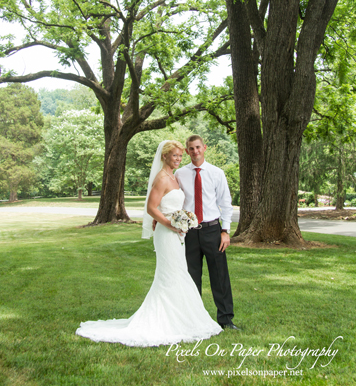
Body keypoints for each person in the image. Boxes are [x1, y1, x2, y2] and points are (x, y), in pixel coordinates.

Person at [75, 140, 222, 346]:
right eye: (175, 156)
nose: (179, 159)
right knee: (170, 275)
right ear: (164, 157)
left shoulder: (175, 176)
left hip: (177, 233)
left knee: (178, 273)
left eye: (180, 155)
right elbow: (152, 208)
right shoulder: (162, 178)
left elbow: (169, 205)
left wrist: (182, 221)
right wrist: (169, 224)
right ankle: (166, 322)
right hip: (167, 233)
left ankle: (181, 320)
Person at [175, 135, 238, 330]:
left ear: (205, 147)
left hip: (212, 230)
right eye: (191, 149)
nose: (195, 151)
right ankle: (194, 319)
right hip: (189, 233)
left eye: (198, 147)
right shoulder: (180, 174)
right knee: (192, 277)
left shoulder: (217, 173)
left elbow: (226, 205)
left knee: (220, 277)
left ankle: (226, 320)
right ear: (187, 151)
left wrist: (225, 231)